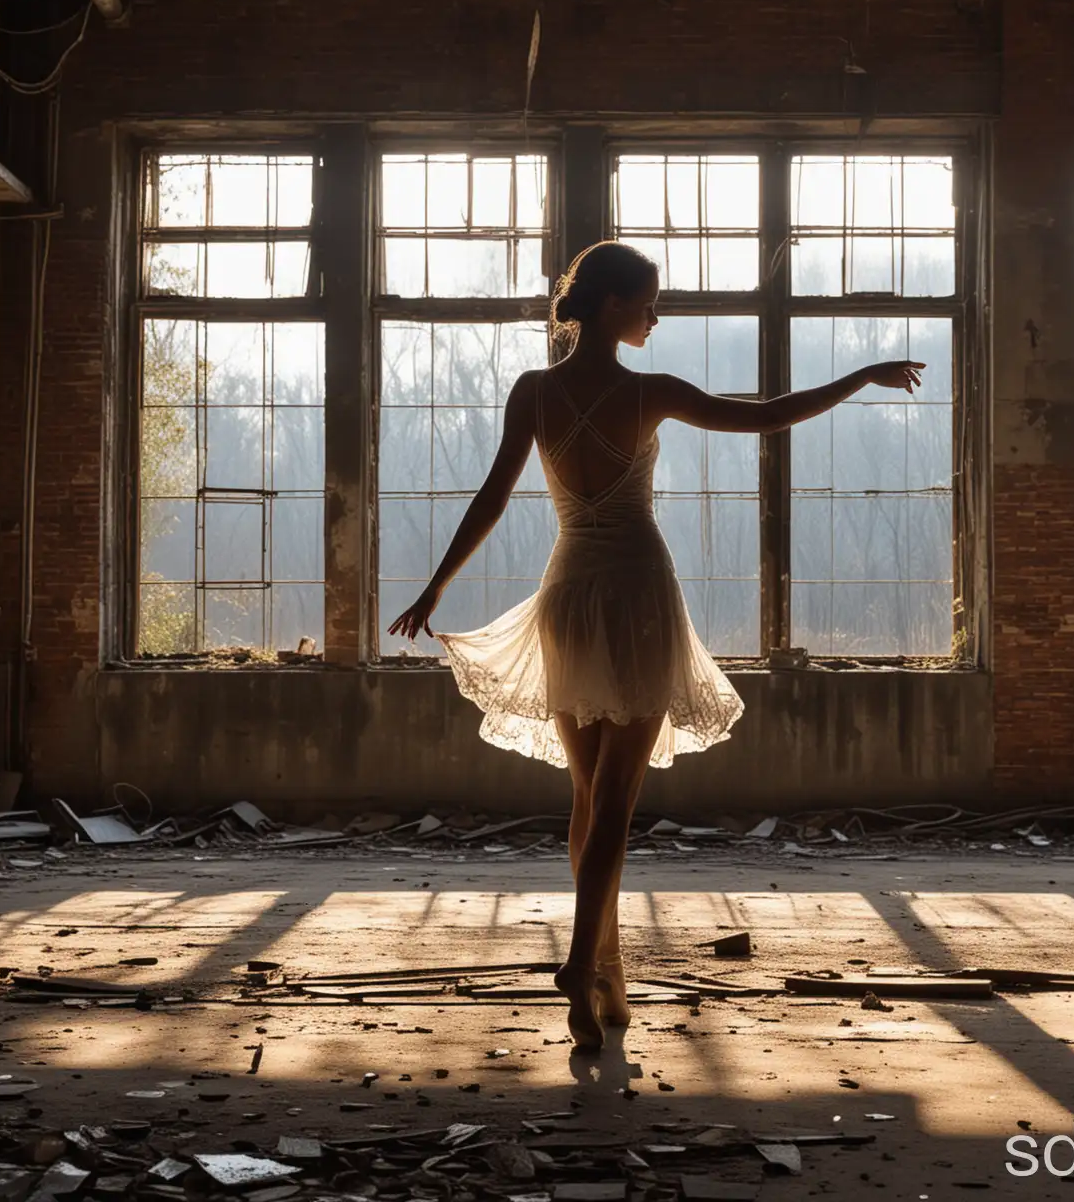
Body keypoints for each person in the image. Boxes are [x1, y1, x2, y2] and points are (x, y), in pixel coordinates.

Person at [387, 240, 924, 1052]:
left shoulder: (535, 391)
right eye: (648, 302)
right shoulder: (652, 393)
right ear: (611, 308)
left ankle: (603, 979)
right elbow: (765, 415)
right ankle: (579, 961)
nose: (656, 315)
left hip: (568, 595)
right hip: (635, 595)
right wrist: (860, 377)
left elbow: (493, 498)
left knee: (585, 796)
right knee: (616, 803)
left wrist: (435, 587)